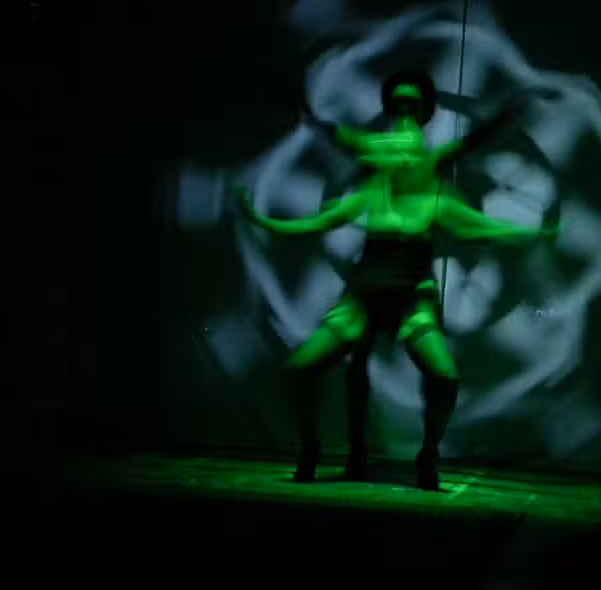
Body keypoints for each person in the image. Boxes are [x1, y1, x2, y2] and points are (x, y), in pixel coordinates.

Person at [234, 71, 558, 490]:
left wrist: (535, 230)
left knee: (443, 377)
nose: (402, 131)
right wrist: (262, 219)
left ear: (422, 122)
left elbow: (483, 213)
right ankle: (312, 447)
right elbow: (316, 217)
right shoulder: (371, 192)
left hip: (412, 302)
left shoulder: (436, 197)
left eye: (412, 108)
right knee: (302, 369)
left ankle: (428, 453)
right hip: (361, 300)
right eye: (397, 107)